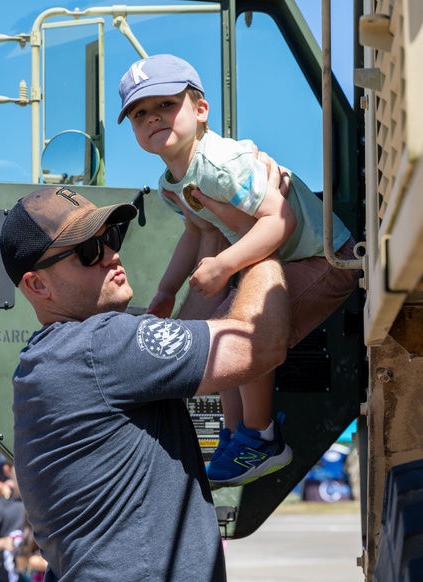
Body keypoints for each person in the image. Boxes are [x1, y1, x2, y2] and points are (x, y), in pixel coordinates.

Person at [0, 177, 291, 582]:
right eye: (89, 251)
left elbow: (188, 330)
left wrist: (210, 238)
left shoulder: (67, 355)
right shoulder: (96, 348)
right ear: (38, 285)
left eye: (111, 238)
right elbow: (255, 343)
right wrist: (262, 235)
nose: (112, 255)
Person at [117, 53, 361, 487]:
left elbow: (279, 220)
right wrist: (166, 292)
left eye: (166, 105)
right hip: (283, 262)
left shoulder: (221, 164)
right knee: (218, 334)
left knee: (247, 334)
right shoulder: (172, 183)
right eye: (140, 113)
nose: (153, 118)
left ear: (201, 109)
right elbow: (195, 231)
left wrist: (225, 264)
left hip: (325, 258)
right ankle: (235, 433)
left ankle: (262, 436)